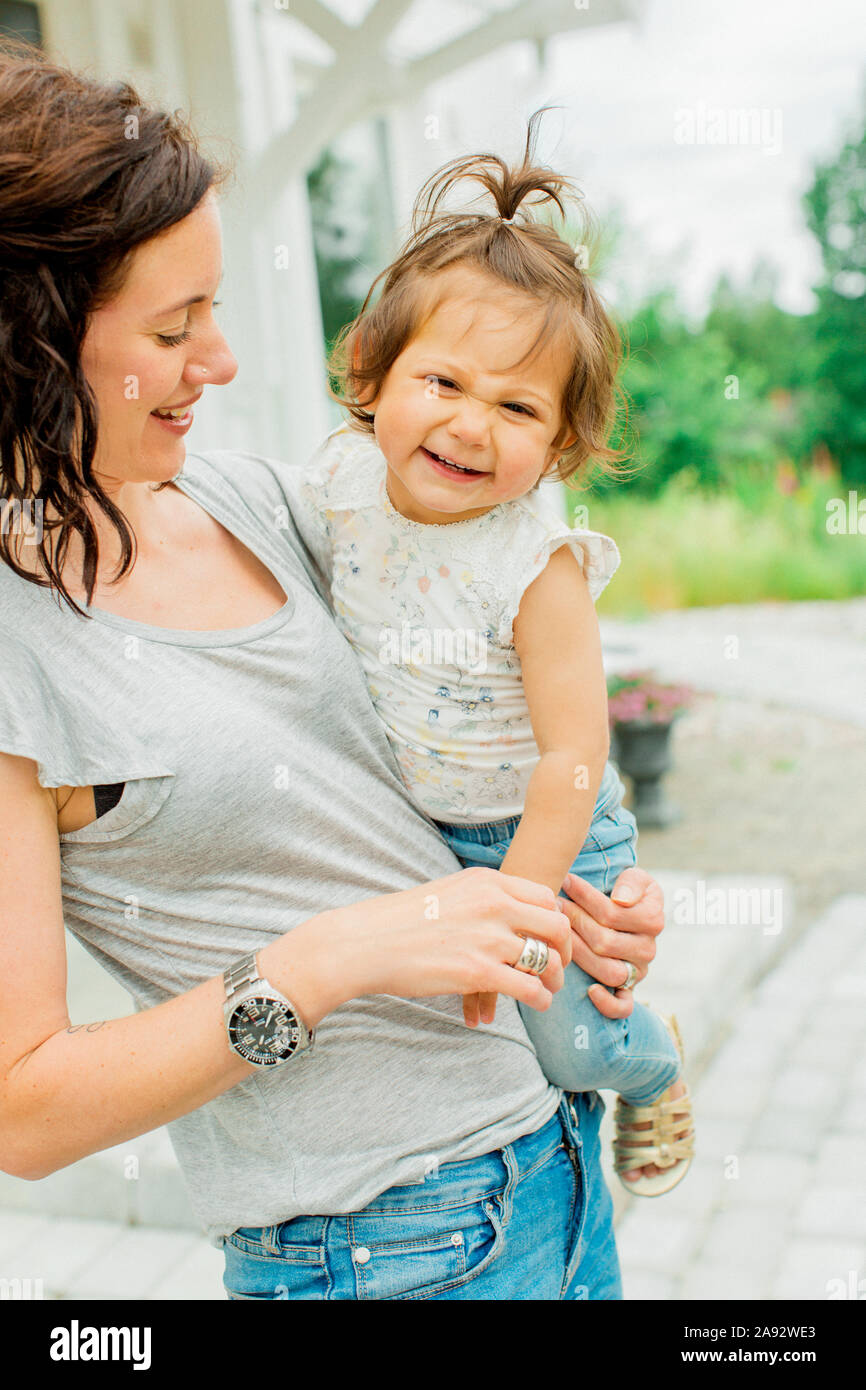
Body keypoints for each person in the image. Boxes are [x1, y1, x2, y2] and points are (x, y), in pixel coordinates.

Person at [0, 39, 667, 1301]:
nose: (223, 361)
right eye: (173, 324)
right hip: (390, 1250)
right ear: (30, 337)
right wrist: (336, 957)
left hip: (547, 1163)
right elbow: (22, 1112)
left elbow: (463, 691)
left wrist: (581, 895)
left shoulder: (252, 500)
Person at [283, 117, 695, 1199]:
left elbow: (574, 749)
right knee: (464, 1035)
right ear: (371, 373)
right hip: (419, 819)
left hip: (543, 831)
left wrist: (519, 903)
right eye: (443, 384)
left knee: (574, 1043)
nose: (471, 426)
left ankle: (654, 1061)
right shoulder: (335, 488)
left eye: (516, 408)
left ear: (557, 445)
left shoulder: (534, 563)